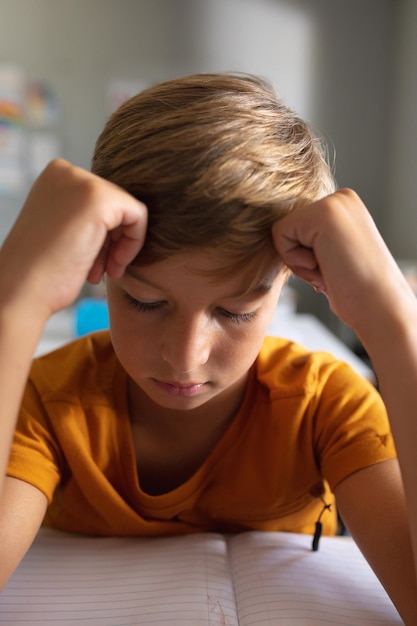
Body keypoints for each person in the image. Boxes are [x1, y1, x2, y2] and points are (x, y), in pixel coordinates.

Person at [0, 73, 416, 622]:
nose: (186, 356)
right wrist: (14, 301)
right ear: (100, 272)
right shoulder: (47, 404)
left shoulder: (325, 406)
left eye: (235, 311)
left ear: (289, 280)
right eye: (146, 302)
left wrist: (394, 319)